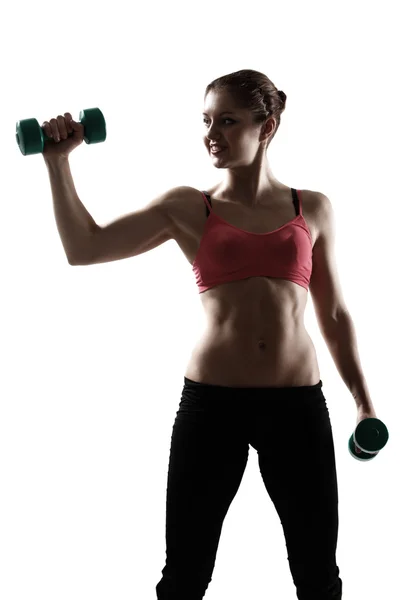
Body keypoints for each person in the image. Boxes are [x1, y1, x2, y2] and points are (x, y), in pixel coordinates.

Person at [43, 69, 345, 599]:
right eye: (207, 120)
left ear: (267, 126)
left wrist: (365, 403)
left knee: (318, 576)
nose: (212, 133)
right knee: (184, 576)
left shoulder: (311, 207)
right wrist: (58, 164)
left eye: (228, 121)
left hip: (297, 406)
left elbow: (335, 314)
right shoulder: (188, 207)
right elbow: (84, 248)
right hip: (212, 408)